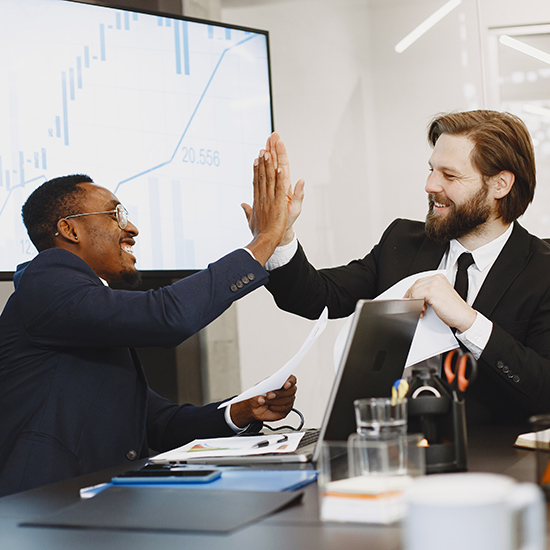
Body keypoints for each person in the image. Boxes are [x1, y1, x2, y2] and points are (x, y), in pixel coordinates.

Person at [0, 148, 296, 496]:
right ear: (70, 229)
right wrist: (265, 241)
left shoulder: (85, 310)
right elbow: (169, 315)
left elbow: (158, 423)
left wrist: (241, 411)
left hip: (95, 509)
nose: (132, 228)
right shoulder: (46, 282)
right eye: (116, 214)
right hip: (40, 514)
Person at [253, 111, 550, 426]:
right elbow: (314, 296)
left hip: (500, 464)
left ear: (500, 184)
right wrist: (279, 237)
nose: (430, 185)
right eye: (432, 170)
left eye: (450, 176)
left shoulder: (542, 269)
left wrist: (469, 321)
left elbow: (544, 389)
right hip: (397, 456)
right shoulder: (402, 242)